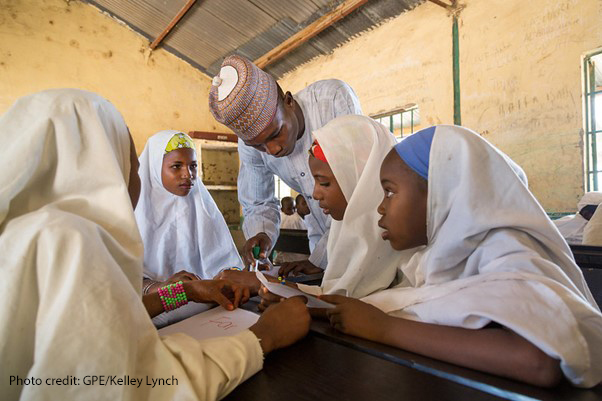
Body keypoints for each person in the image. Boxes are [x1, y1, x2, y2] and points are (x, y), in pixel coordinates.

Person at [0, 89, 311, 400]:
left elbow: (119, 318)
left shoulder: (27, 236)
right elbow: (141, 386)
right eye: (131, 164)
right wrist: (264, 337)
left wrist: (187, 291)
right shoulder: (68, 242)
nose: (137, 176)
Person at [317, 125, 602, 388]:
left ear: (443, 193)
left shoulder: (506, 249)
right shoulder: (434, 259)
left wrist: (384, 329)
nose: (380, 208)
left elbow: (538, 360)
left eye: (390, 192)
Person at [209, 54, 362, 277]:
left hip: (362, 240)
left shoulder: (331, 101)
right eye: (258, 145)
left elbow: (355, 190)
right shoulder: (249, 145)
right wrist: (261, 234)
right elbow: (258, 201)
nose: (272, 150)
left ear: (288, 101)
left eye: (276, 133)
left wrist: (321, 260)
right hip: (320, 239)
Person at [134, 130, 244, 326]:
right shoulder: (134, 214)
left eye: (193, 166)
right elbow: (124, 283)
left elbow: (226, 264)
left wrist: (231, 276)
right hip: (153, 313)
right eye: (176, 166)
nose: (188, 175)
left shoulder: (202, 205)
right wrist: (163, 288)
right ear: (154, 168)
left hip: (206, 311)